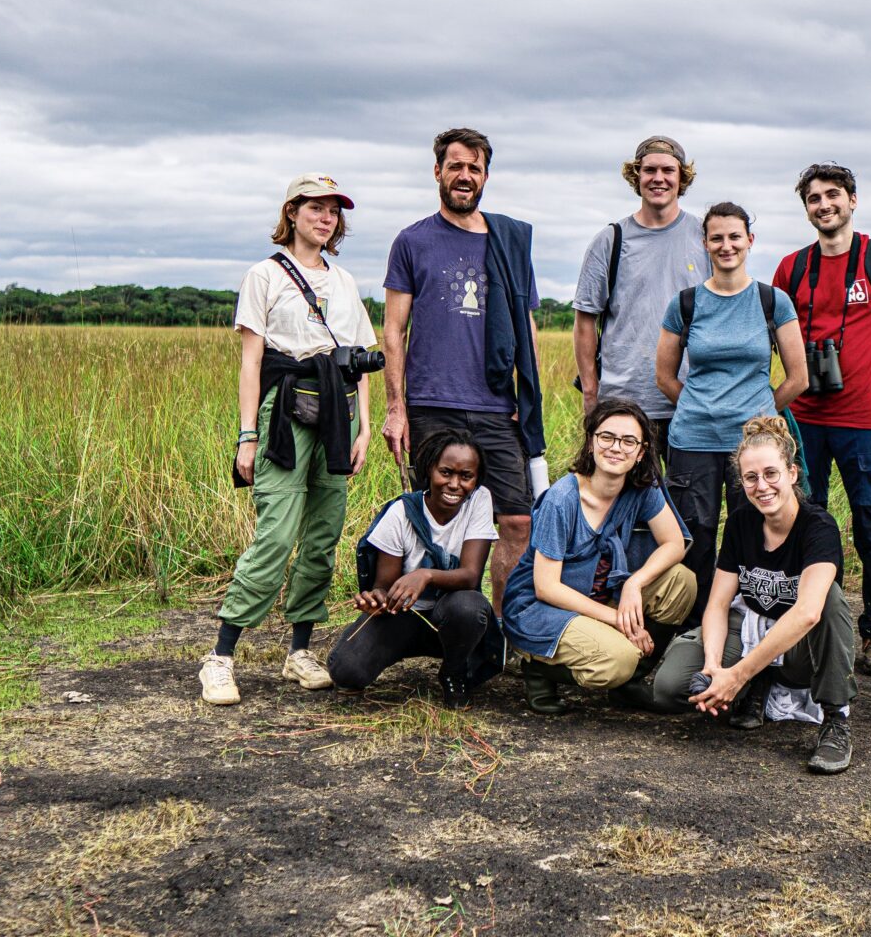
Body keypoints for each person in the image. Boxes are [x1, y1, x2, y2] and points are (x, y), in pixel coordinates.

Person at [202, 174, 376, 705]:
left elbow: (361, 359)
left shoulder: (344, 282)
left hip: (337, 414)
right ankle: (221, 656)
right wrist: (247, 435)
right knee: (277, 534)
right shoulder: (265, 275)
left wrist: (364, 425)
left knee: (323, 535)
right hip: (285, 410)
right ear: (292, 213)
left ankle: (299, 652)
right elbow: (252, 359)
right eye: (315, 209)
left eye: (333, 212)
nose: (325, 218)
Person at [381, 127, 545, 610]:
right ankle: (433, 626)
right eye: (455, 166)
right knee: (435, 517)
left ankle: (500, 629)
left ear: (486, 176)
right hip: (432, 402)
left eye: (474, 168)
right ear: (437, 171)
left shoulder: (510, 242)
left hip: (496, 404)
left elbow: (526, 327)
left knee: (518, 520)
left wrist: (526, 397)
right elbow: (394, 330)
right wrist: (396, 409)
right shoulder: (413, 241)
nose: (464, 175)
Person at [651, 415, 858, 774]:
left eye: (771, 473)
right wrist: (714, 666)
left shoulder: (818, 526)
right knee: (672, 687)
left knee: (831, 601)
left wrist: (738, 675)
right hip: (750, 630)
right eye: (750, 477)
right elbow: (717, 604)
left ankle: (835, 718)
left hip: (798, 648)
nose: (761, 486)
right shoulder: (741, 522)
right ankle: (757, 685)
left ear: (792, 473)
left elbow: (807, 612)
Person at [773, 162, 871, 679]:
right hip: (805, 417)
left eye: (833, 195)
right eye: (813, 198)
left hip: (865, 417)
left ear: (853, 200)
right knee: (802, 522)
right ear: (806, 207)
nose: (824, 205)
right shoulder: (792, 267)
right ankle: (802, 625)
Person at [655, 201, 807, 622]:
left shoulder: (771, 301)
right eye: (717, 237)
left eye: (734, 236)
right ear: (705, 243)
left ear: (749, 241)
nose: (726, 245)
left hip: (753, 448)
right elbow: (665, 378)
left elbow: (798, 378)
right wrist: (701, 408)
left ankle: (750, 625)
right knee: (694, 538)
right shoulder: (684, 303)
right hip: (692, 440)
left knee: (755, 535)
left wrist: (759, 417)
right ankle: (693, 631)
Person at [501, 399, 696, 714]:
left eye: (629, 440)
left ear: (641, 452)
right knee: (616, 660)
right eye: (607, 437)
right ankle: (538, 669)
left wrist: (635, 583)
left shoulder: (641, 488)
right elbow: (546, 587)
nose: (617, 447)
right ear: (591, 442)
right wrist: (621, 622)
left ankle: (629, 685)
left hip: (599, 592)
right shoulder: (562, 500)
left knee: (681, 582)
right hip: (542, 608)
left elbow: (674, 542)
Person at [326, 429, 503, 706]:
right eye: (445, 472)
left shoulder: (478, 501)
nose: (455, 484)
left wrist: (425, 574)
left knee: (469, 607)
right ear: (428, 469)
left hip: (453, 617)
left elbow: (470, 576)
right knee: (347, 671)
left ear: (476, 479)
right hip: (405, 618)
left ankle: (455, 672)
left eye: (466, 476)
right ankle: (391, 649)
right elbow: (384, 584)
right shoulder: (401, 513)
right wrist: (377, 599)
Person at [572, 136, 709, 451]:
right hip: (623, 405)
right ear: (636, 176)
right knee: (624, 498)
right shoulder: (610, 240)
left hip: (688, 403)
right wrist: (592, 394)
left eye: (667, 171)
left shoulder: (704, 237)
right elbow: (584, 323)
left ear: (681, 177)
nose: (658, 179)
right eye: (649, 170)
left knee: (685, 500)